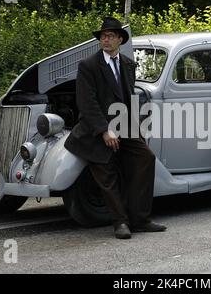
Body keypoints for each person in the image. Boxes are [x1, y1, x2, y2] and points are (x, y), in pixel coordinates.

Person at [64, 17, 166, 238]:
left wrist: (136, 130)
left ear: (120, 39)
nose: (106, 39)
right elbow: (86, 102)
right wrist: (103, 130)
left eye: (110, 36)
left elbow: (129, 99)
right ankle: (120, 222)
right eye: (103, 36)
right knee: (106, 171)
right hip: (95, 130)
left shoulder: (128, 64)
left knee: (145, 158)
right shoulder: (88, 65)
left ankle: (140, 218)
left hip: (124, 125)